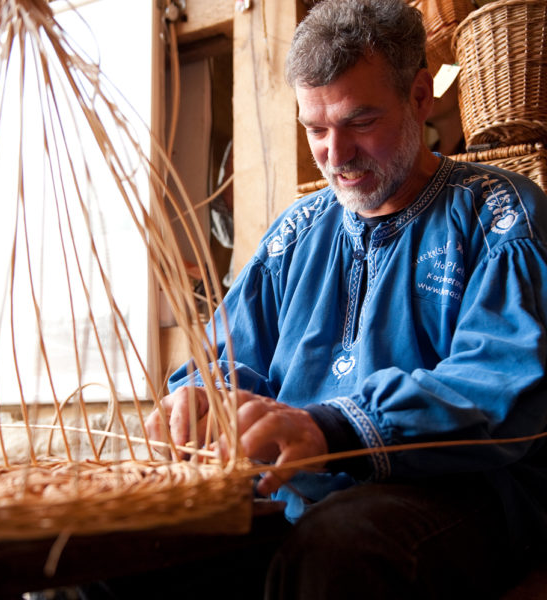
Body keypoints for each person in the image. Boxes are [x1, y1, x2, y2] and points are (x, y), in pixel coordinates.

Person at [147, 0, 547, 597]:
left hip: (461, 494)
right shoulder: (295, 233)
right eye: (315, 129)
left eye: (359, 122)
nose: (335, 154)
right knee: (130, 545)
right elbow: (232, 359)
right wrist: (202, 402)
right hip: (297, 497)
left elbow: (501, 383)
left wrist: (333, 428)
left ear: (419, 96)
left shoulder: (499, 212)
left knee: (341, 547)